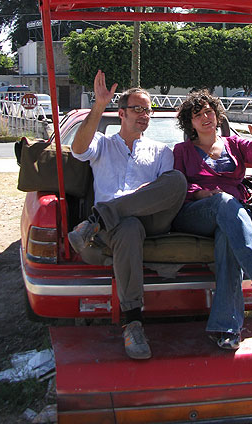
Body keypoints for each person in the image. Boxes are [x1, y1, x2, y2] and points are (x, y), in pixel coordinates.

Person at [68, 70, 187, 360]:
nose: (145, 115)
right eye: (137, 109)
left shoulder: (161, 151)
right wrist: (98, 105)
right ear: (121, 113)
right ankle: (132, 322)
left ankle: (97, 218)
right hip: (121, 229)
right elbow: (78, 148)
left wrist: (126, 202)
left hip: (153, 220)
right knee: (129, 226)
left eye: (148, 110)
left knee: (177, 181)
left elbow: (163, 192)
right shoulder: (102, 143)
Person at [172, 90, 252, 350]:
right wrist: (201, 193)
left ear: (217, 114)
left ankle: (226, 328)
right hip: (195, 213)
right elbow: (175, 185)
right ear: (189, 123)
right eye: (197, 114)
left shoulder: (234, 143)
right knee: (223, 202)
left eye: (209, 112)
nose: (205, 117)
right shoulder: (181, 150)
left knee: (227, 238)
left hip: (230, 215)